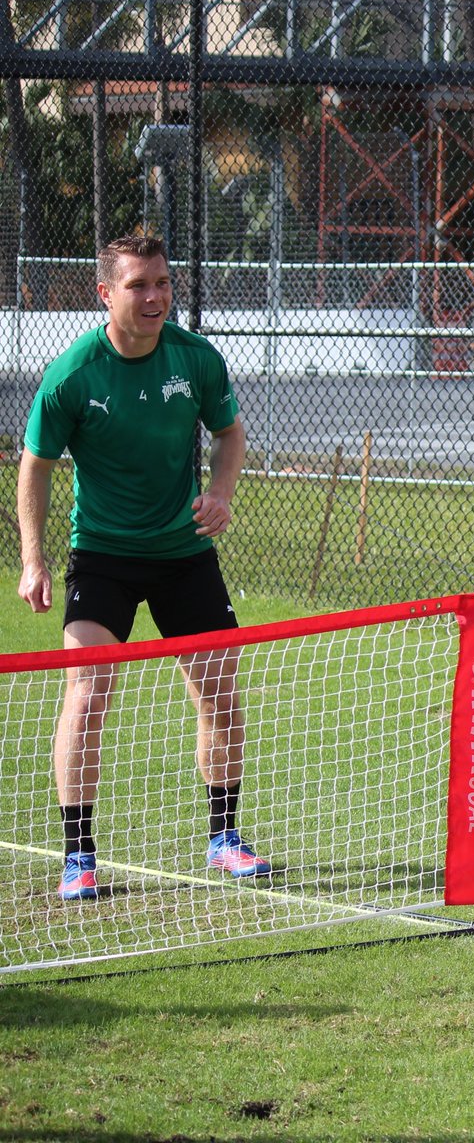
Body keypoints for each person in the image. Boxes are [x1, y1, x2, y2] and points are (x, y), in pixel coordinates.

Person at [16, 234, 270, 901]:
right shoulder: (73, 373)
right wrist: (34, 559)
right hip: (102, 557)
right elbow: (35, 466)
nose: (154, 297)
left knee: (218, 693)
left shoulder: (196, 358)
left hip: (184, 555)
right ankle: (78, 856)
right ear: (106, 293)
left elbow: (230, 433)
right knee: (88, 693)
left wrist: (221, 492)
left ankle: (224, 838)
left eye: (162, 282)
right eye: (138, 285)